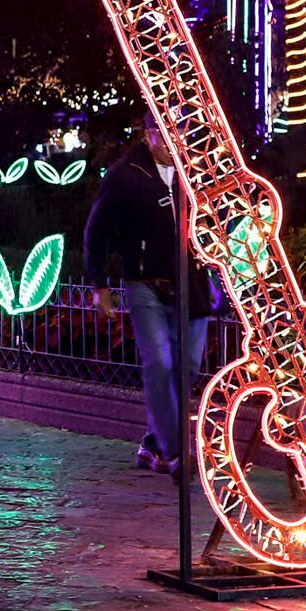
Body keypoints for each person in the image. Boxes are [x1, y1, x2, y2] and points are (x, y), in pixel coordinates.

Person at [84, 111, 219, 479]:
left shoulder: (196, 173)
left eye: (183, 131)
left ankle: (155, 441)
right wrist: (100, 286)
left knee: (187, 366)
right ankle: (176, 454)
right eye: (168, 132)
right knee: (159, 363)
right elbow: (96, 231)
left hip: (191, 283)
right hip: (146, 284)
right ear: (150, 134)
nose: (177, 140)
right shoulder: (126, 175)